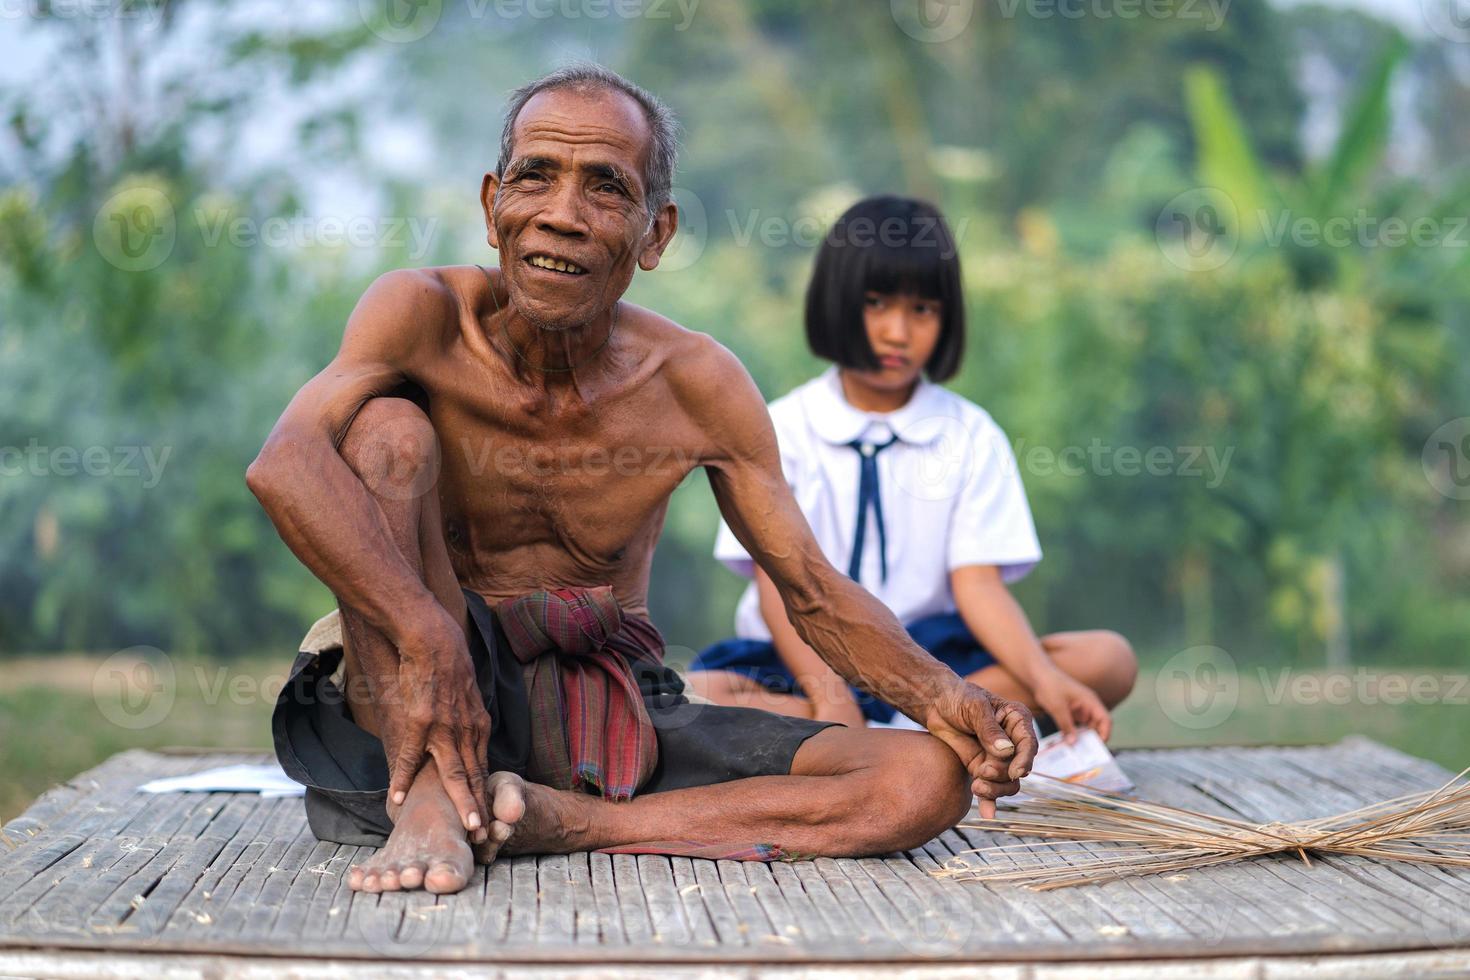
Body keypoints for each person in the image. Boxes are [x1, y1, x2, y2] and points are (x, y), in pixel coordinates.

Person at [248, 65, 1037, 897]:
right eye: (536, 178)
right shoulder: (419, 315)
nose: (562, 215)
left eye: (605, 188)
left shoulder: (695, 381)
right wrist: (427, 634)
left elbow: (809, 589)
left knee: (923, 782)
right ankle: (440, 787)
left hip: (617, 706)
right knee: (384, 433)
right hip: (412, 687)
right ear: (492, 207)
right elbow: (287, 463)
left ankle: (568, 820)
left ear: (655, 234)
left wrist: (949, 700)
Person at [688, 196, 1137, 738]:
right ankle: (916, 738)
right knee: (694, 694)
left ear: (947, 320)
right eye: (876, 304)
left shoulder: (970, 434)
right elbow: (778, 588)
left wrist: (1044, 680)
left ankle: (893, 733)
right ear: (835, 303)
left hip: (935, 663)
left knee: (1107, 659)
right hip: (804, 660)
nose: (898, 333)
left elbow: (979, 587)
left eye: (922, 310)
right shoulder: (780, 428)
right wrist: (832, 698)